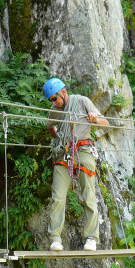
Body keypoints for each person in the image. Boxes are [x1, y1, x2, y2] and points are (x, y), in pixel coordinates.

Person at [43, 78, 109, 251]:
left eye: (54, 98)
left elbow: (106, 123)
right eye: (51, 100)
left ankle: (91, 238)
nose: (53, 102)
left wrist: (94, 119)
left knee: (88, 195)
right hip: (63, 153)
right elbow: (50, 127)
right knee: (58, 196)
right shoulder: (54, 110)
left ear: (63, 92)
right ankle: (55, 238)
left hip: (83, 149)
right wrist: (59, 138)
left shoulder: (82, 101)